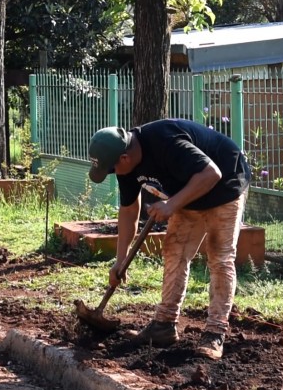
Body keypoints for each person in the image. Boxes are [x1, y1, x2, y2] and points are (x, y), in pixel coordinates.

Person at [87, 119, 251, 360]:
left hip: (224, 183)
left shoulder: (166, 141)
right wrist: (120, 260)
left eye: (111, 170)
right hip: (189, 190)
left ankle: (215, 332)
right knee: (175, 250)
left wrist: (171, 204)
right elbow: (129, 211)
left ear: (124, 158)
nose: (113, 175)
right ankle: (163, 325)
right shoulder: (124, 164)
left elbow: (211, 173)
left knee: (219, 257)